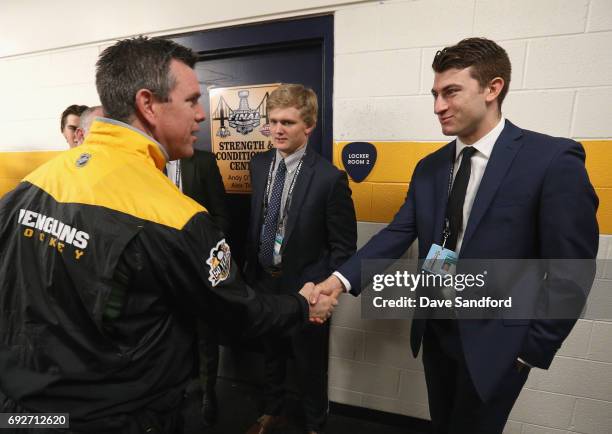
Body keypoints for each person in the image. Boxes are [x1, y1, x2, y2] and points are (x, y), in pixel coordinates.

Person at [0, 36, 336, 433]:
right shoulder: (174, 216)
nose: (200, 115)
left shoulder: (28, 188)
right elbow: (237, 314)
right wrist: (302, 306)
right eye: (192, 101)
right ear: (148, 105)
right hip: (118, 418)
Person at [310, 38, 599, 433]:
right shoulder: (430, 167)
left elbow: (572, 269)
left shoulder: (551, 160)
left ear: (492, 89)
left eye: (451, 92)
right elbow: (398, 232)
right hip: (437, 329)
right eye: (435, 94)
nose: (437, 107)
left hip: (499, 344)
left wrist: (532, 350)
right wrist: (340, 281)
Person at [244, 84, 357, 434]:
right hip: (264, 281)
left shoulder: (329, 178)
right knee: (271, 355)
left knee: (309, 363)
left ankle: (314, 425)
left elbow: (343, 248)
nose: (277, 129)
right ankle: (271, 411)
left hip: (307, 286)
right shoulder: (260, 164)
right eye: (273, 121)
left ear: (308, 125)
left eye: (288, 123)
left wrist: (325, 290)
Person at [165, 149, 231, 426]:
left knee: (206, 332)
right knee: (170, 333)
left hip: (201, 263)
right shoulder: (147, 162)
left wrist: (211, 256)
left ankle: (208, 392)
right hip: (164, 264)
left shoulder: (202, 162)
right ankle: (174, 392)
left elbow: (221, 214)